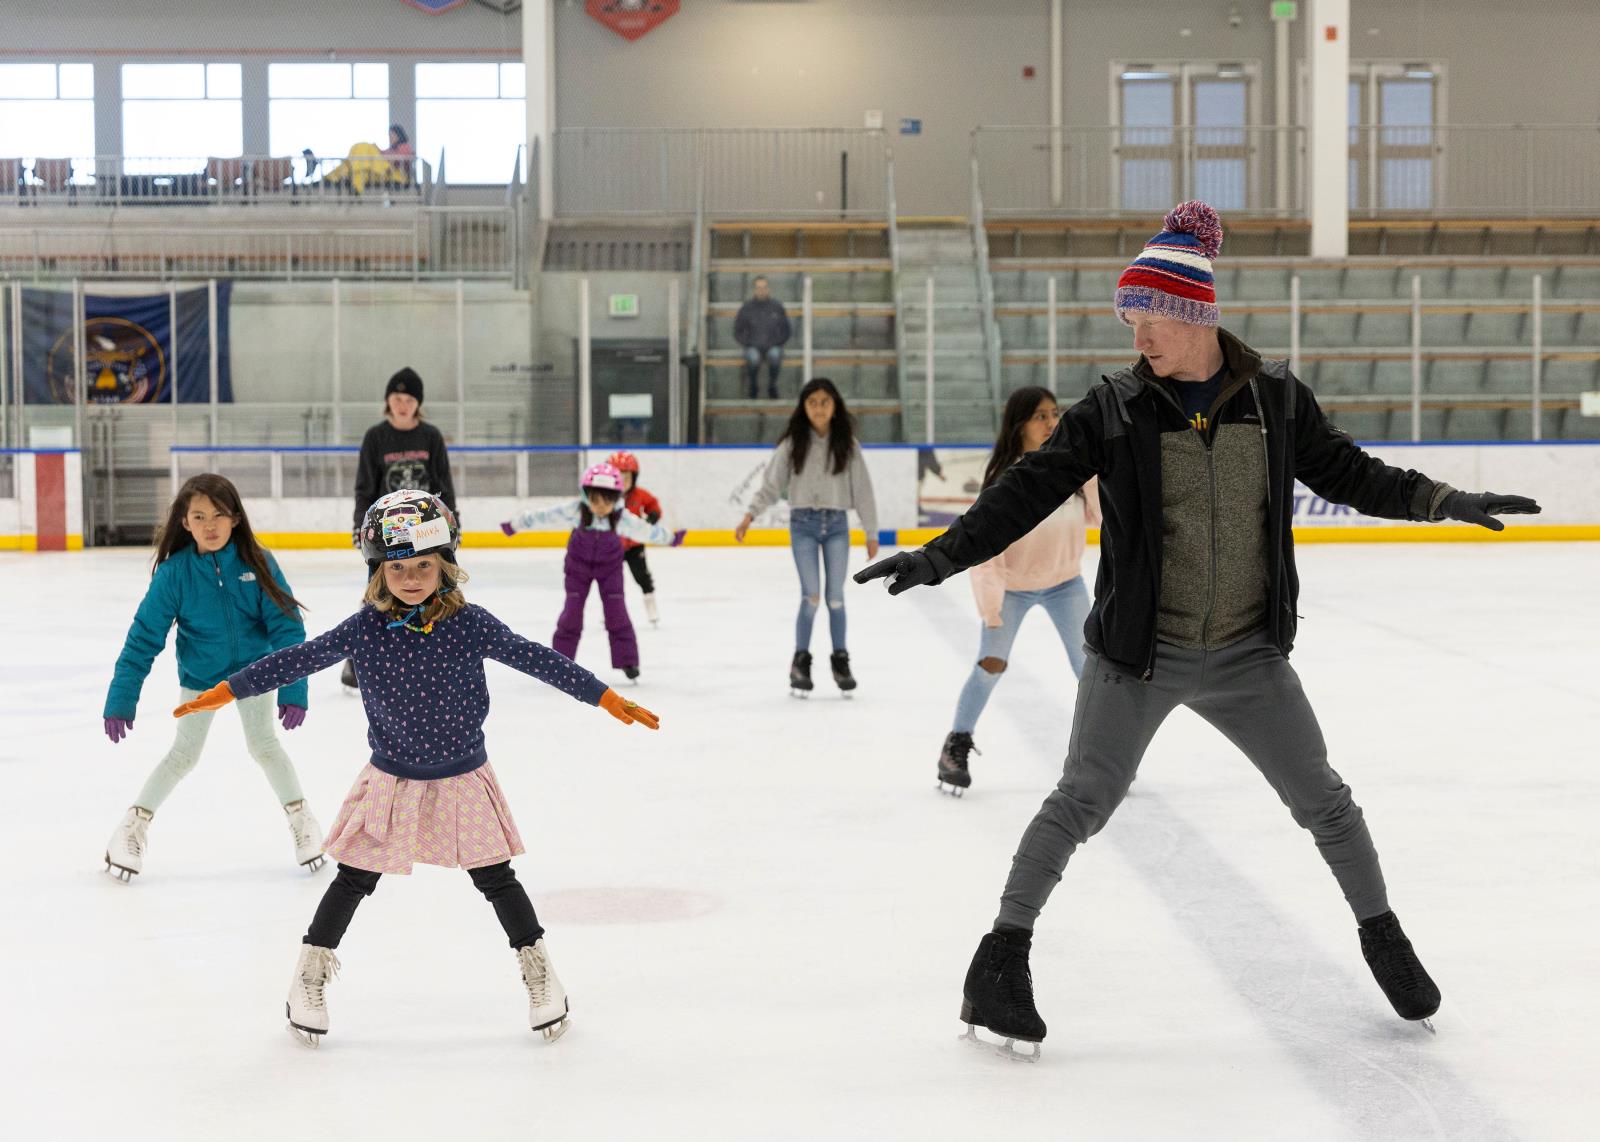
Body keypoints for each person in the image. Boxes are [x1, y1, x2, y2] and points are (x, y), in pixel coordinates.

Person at [855, 200, 1541, 1057]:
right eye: (1131, 320)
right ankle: (999, 961)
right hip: (1141, 655)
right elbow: (1025, 490)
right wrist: (938, 557)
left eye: (1152, 320)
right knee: (1081, 801)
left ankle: (1385, 942)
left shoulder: (1277, 400)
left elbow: (1354, 473)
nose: (1139, 337)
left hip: (1250, 656)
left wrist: (1446, 501)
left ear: (1196, 316)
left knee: (1325, 801)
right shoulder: (1113, 408)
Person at [172, 490, 662, 1046]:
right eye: (398, 567)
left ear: (444, 565)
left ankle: (539, 970)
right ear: (379, 571)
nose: (410, 578)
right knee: (354, 877)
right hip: (393, 779)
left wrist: (602, 696)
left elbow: (535, 657)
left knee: (496, 878)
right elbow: (299, 658)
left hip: (462, 776)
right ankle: (308, 975)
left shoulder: (470, 624)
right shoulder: (364, 629)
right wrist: (228, 689)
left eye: (423, 565)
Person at [102, 474, 322, 880]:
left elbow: (288, 628)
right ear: (184, 522)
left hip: (253, 674)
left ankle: (302, 821)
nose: (210, 525)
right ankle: (131, 828)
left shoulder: (257, 562)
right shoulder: (175, 574)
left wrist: (294, 684)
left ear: (235, 518)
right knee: (184, 755)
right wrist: (122, 696)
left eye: (219, 515)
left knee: (265, 746)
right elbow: (143, 639)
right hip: (202, 680)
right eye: (199, 516)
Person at [937, 386, 1099, 796]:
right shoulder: (1006, 478)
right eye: (1040, 416)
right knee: (990, 665)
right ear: (1019, 424)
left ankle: (1101, 754)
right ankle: (956, 744)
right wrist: (992, 607)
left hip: (1066, 584)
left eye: (1054, 414)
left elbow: (1101, 513)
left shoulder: (1073, 469)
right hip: (1012, 588)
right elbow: (986, 548)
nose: (1051, 423)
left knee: (1093, 670)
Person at [735, 377, 879, 695]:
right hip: (803, 526)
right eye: (812, 402)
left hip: (837, 526)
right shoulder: (792, 445)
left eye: (824, 402)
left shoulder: (848, 446)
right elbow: (771, 485)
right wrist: (750, 514)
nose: (818, 408)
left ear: (835, 406)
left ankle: (840, 661)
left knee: (836, 598)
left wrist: (871, 531)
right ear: (803, 406)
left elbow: (863, 491)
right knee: (811, 596)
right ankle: (800, 662)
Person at [500, 462, 683, 682]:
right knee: (572, 612)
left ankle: (628, 661)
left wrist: (670, 538)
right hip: (578, 567)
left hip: (610, 568)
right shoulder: (576, 510)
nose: (601, 507)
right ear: (586, 496)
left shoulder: (621, 518)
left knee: (616, 610)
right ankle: (560, 662)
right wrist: (516, 524)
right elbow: (544, 516)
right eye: (595, 500)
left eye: (607, 501)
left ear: (615, 499)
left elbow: (645, 531)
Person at [344, 366, 456, 691]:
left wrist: (452, 524)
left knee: (440, 591)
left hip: (428, 532)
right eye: (396, 398)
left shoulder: (431, 436)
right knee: (377, 596)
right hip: (386, 534)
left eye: (408, 399)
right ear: (387, 401)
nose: (402, 404)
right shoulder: (376, 437)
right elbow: (365, 487)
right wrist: (359, 526)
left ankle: (443, 657)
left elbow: (444, 485)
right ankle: (356, 662)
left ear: (417, 403)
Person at [607, 450, 668, 625]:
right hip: (612, 546)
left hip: (634, 546)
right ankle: (610, 610)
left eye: (627, 477)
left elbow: (653, 505)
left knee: (642, 576)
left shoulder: (640, 495)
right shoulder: (606, 497)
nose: (623, 482)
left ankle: (651, 605)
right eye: (619, 477)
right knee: (611, 581)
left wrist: (653, 516)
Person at [734, 276, 791, 400]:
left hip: (773, 345)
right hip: (752, 346)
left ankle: (772, 386)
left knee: (775, 355)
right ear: (754, 290)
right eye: (759, 288)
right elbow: (738, 330)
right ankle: (753, 386)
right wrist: (748, 343)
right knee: (753, 358)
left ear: (769, 289)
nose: (762, 290)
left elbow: (786, 329)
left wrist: (777, 342)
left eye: (764, 287)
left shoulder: (777, 307)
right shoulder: (746, 308)